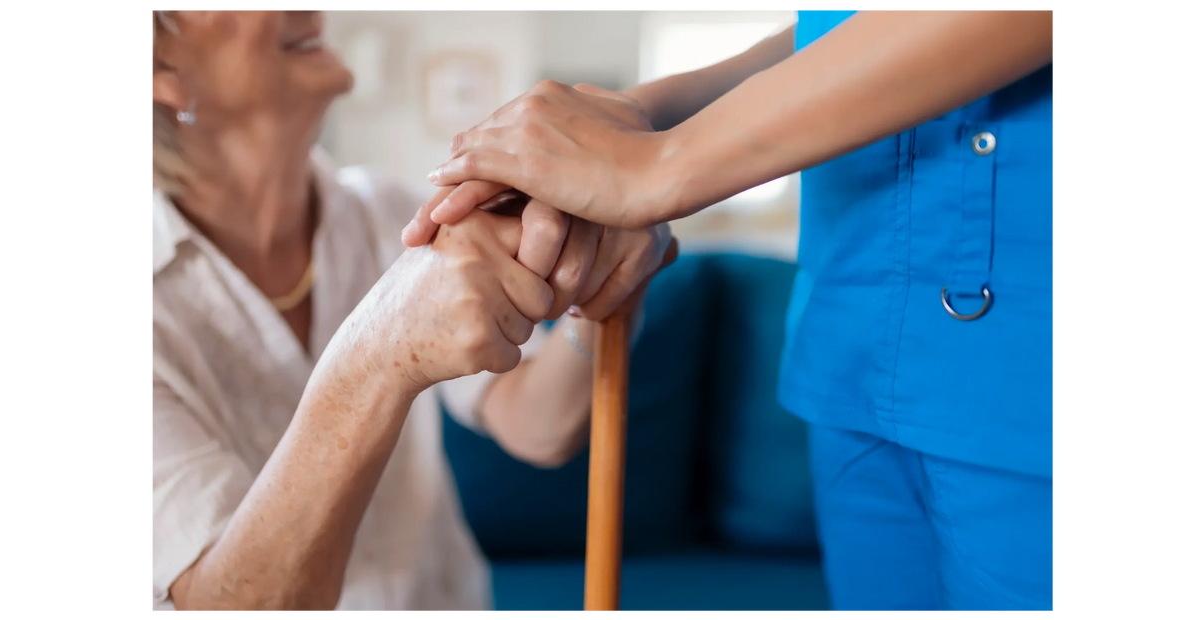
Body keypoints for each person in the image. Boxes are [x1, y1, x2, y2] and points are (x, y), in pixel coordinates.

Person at [404, 7, 1056, 614]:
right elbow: (842, 25)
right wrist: (645, 114)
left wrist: (661, 166)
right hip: (854, 352)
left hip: (1023, 366)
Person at [148, 7, 674, 614]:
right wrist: (377, 356)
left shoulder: (390, 214)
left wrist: (610, 291)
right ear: (161, 67)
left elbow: (538, 425)